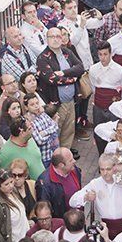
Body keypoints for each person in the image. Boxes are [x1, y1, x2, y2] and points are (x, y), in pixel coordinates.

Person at [70, 153, 122, 237]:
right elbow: (72, 201)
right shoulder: (95, 183)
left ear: (115, 168)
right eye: (102, 169)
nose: (105, 173)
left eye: (108, 169)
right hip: (108, 229)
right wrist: (85, 197)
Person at [36, 25, 85, 153]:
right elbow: (51, 79)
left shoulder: (67, 52)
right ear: (47, 39)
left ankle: (66, 155)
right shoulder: (42, 58)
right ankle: (57, 159)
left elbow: (80, 67)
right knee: (56, 133)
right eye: (52, 36)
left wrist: (64, 73)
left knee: (69, 132)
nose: (56, 39)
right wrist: (72, 79)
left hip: (71, 101)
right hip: (57, 104)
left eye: (58, 36)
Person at [35, 147, 82, 219]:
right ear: (61, 165)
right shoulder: (44, 184)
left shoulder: (73, 169)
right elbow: (44, 210)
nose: (74, 161)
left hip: (78, 217)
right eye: (70, 160)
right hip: (63, 223)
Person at [0, 117, 46, 181]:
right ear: (22, 133)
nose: (33, 128)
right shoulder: (6, 153)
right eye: (29, 128)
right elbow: (4, 176)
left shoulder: (29, 139)